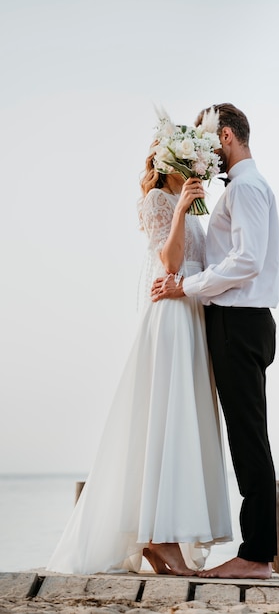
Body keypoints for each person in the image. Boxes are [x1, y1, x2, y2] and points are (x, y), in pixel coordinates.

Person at [47, 142, 232, 576]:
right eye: (187, 160)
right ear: (170, 160)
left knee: (184, 419)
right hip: (170, 317)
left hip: (193, 314)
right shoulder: (157, 200)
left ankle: (164, 537)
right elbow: (168, 261)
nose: (194, 168)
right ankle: (159, 538)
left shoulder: (195, 204)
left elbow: (200, 265)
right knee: (166, 417)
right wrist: (183, 207)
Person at [151, 103, 279, 579]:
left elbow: (247, 260)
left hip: (239, 322)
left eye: (208, 140)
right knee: (250, 439)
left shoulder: (245, 187)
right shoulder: (245, 187)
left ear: (226, 136)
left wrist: (187, 285)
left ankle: (256, 557)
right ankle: (256, 553)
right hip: (242, 322)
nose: (205, 150)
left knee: (249, 442)